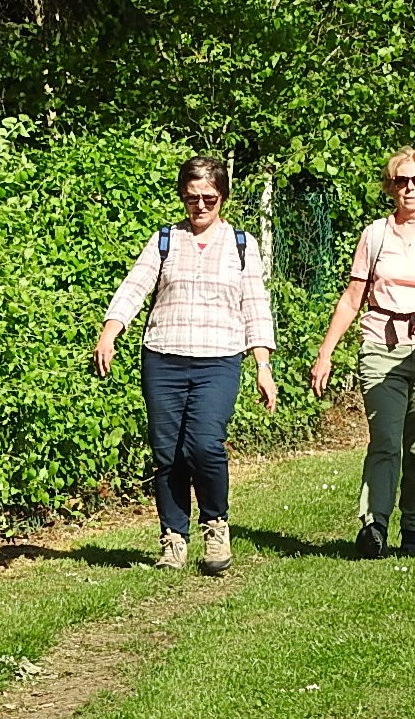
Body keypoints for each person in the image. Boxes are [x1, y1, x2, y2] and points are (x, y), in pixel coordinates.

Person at [95, 156, 279, 574]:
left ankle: (215, 524)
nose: (199, 207)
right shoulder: (164, 240)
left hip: (218, 360)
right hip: (164, 357)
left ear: (223, 198)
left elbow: (255, 305)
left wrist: (262, 365)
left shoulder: (241, 245)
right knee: (168, 453)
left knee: (204, 445)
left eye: (209, 199)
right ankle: (173, 538)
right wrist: (111, 331)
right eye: (192, 198)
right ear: (183, 196)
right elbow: (134, 287)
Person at [310, 148, 415, 559]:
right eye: (401, 181)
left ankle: (413, 526)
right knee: (385, 441)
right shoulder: (375, 234)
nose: (409, 188)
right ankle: (374, 525)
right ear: (389, 186)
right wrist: (326, 352)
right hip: (381, 345)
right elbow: (353, 296)